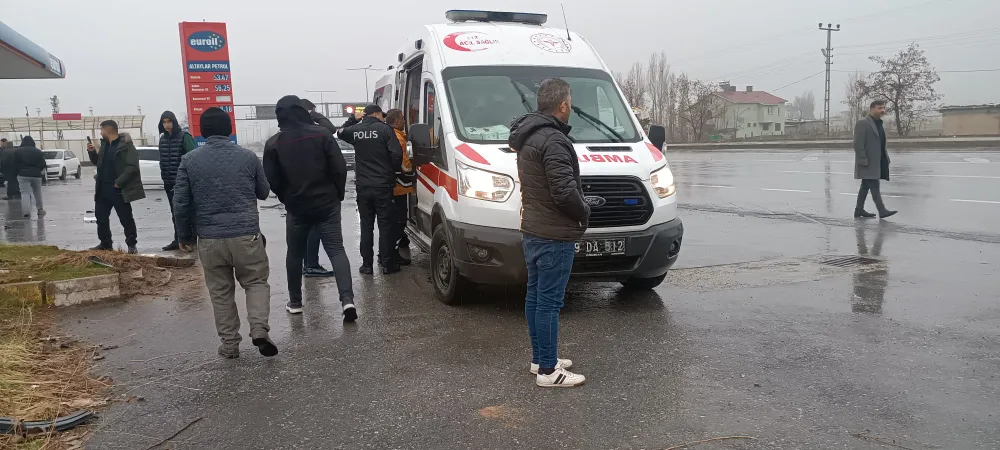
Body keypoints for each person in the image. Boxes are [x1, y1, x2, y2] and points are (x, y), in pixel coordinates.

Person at [172, 107, 277, 359]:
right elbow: (264, 192)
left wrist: (184, 236)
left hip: (209, 238)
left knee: (220, 291)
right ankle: (259, 329)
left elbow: (180, 203)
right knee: (255, 282)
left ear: (202, 131)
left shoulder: (189, 160)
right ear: (229, 129)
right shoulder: (248, 156)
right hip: (246, 235)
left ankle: (230, 345)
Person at [509, 78, 590, 388]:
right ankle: (548, 371)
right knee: (549, 302)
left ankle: (541, 358)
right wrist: (584, 210)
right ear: (563, 105)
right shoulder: (553, 140)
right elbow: (564, 191)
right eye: (570, 102)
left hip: (533, 228)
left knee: (536, 296)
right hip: (554, 234)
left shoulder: (529, 136)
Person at [263, 95, 356, 320]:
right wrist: (337, 194)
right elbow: (339, 168)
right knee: (336, 250)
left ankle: (295, 302)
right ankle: (347, 301)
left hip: (297, 207)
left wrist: (287, 198)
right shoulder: (322, 134)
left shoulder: (274, 143)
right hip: (327, 204)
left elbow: (272, 179)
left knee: (295, 253)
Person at [339, 105, 404, 275]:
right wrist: (391, 171)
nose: (383, 117)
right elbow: (397, 154)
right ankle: (387, 264)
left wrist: (353, 119)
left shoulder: (355, 130)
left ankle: (367, 265)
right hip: (383, 186)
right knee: (385, 226)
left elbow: (339, 132)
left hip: (363, 186)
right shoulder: (385, 130)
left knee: (366, 226)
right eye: (382, 115)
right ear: (376, 114)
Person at [87, 120, 145, 253]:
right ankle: (105, 243)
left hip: (118, 189)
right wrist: (92, 153)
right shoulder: (104, 145)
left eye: (101, 130)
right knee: (101, 218)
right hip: (102, 189)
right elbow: (98, 163)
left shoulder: (126, 145)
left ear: (108, 130)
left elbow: (132, 167)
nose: (100, 133)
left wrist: (119, 182)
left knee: (126, 218)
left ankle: (131, 245)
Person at [295, 99, 337, 278]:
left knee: (304, 229)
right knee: (314, 228)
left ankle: (308, 264)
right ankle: (311, 265)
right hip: (313, 187)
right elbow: (331, 128)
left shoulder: (289, 132)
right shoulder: (312, 132)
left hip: (296, 189)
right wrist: (314, 114)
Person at [157, 111, 197, 251]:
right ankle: (178, 239)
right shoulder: (162, 139)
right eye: (164, 122)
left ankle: (190, 240)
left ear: (174, 122)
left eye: (169, 121)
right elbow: (162, 161)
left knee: (186, 213)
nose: (167, 125)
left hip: (183, 184)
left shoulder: (184, 137)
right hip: (169, 183)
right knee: (175, 213)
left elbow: (192, 159)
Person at [853, 100, 897, 219]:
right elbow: (858, 144)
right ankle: (882, 210)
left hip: (877, 161)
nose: (882, 110)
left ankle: (859, 210)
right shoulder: (863, 123)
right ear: (872, 109)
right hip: (867, 161)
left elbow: (881, 143)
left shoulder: (878, 123)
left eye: (883, 108)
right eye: (879, 108)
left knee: (865, 186)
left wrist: (886, 158)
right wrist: (863, 159)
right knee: (874, 185)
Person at [384, 109, 414, 260]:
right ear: (397, 121)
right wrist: (413, 170)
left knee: (392, 220)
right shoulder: (398, 138)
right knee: (398, 219)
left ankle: (388, 250)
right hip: (399, 186)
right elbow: (405, 165)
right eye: (402, 118)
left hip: (392, 185)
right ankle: (392, 254)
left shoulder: (391, 135)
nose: (404, 121)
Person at [13, 136, 46, 218]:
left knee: (25, 193)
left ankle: (26, 212)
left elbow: (14, 164)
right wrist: (38, 170)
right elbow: (43, 164)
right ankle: (40, 210)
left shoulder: (17, 151)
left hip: (23, 175)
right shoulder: (38, 151)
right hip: (36, 175)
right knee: (37, 193)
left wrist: (16, 173)